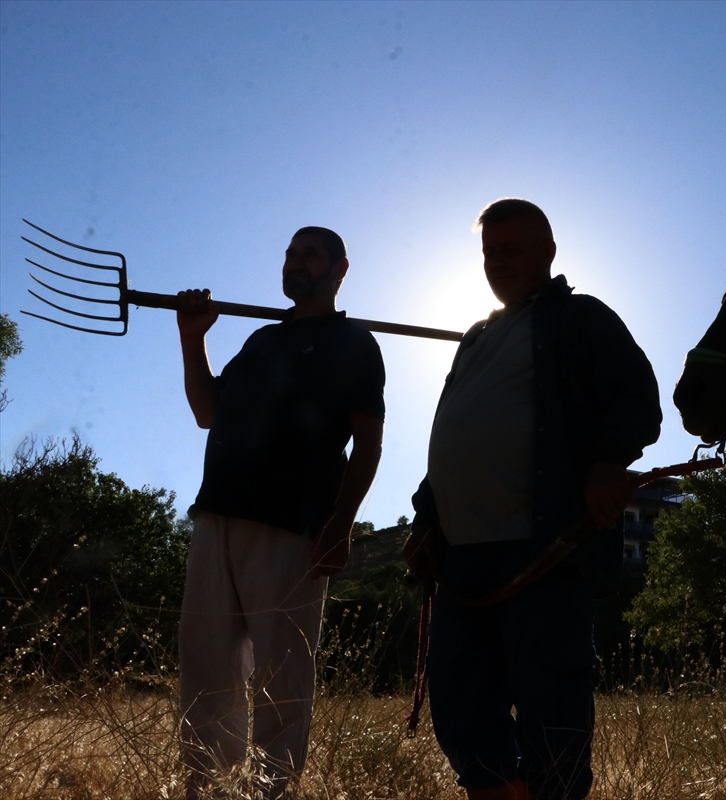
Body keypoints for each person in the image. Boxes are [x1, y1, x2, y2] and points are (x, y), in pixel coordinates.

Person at [412, 199, 661, 800]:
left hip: (542, 549)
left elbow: (637, 398)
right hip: (463, 559)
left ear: (548, 252)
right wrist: (426, 513)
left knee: (553, 720)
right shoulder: (475, 336)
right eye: (489, 253)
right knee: (462, 714)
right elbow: (453, 429)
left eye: (512, 249)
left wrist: (606, 463)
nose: (498, 263)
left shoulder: (581, 318)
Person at [175, 227, 385, 798]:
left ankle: (270, 794)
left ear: (340, 270)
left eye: (309, 255)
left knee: (282, 684)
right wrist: (192, 339)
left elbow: (368, 443)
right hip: (216, 517)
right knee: (206, 675)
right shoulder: (261, 341)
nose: (295, 263)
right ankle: (207, 791)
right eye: (290, 254)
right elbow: (207, 412)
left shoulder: (355, 346)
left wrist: (340, 525)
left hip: (293, 529)